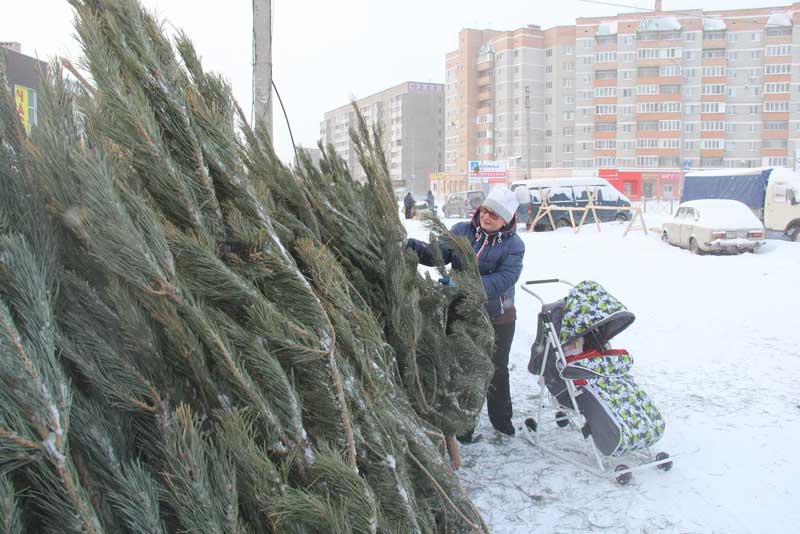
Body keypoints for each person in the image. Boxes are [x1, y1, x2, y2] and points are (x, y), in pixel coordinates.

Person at [406, 186, 524, 441]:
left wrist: (463, 284)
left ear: (506, 220)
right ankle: (463, 424)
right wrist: (409, 245)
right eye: (485, 210)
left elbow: (503, 280)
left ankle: (502, 420)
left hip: (497, 316)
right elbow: (436, 254)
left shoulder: (514, 246)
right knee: (460, 366)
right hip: (460, 311)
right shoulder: (463, 231)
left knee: (495, 368)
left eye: (494, 214)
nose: (487, 216)